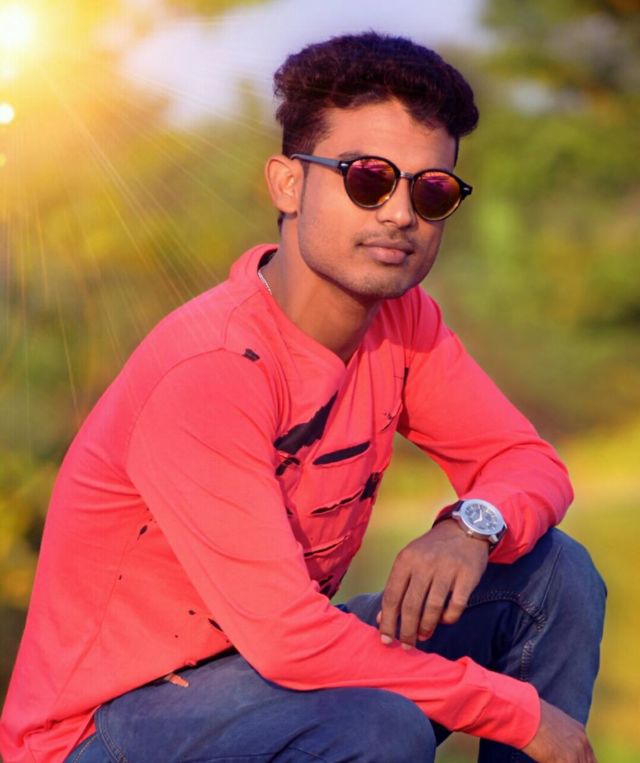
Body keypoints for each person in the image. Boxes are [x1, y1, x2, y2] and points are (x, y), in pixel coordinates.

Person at [0, 32, 605, 763]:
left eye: (431, 191)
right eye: (368, 179)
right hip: (99, 728)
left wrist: (470, 525)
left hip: (262, 676)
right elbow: (292, 640)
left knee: (554, 576)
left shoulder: (402, 323)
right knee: (373, 726)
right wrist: (518, 713)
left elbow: (527, 462)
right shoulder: (212, 368)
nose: (400, 214)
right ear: (288, 184)